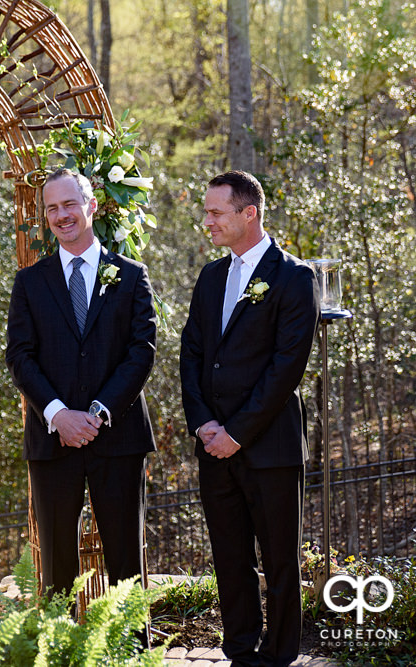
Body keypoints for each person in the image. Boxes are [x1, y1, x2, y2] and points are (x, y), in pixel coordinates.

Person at [180, 170, 319, 667]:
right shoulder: (211, 276)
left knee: (280, 561)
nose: (207, 222)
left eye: (215, 212)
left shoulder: (294, 277)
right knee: (230, 559)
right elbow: (192, 351)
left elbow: (287, 367)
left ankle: (278, 656)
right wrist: (204, 425)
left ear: (249, 213)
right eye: (207, 212)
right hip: (213, 444)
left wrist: (237, 432)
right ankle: (239, 650)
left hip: (270, 447)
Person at [5, 168, 157, 602]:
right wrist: (57, 414)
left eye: (69, 204)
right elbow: (19, 355)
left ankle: (131, 652)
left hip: (118, 436)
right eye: (51, 208)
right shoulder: (30, 283)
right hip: (52, 441)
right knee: (55, 567)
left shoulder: (130, 276)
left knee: (126, 560)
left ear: (91, 205)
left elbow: (141, 350)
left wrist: (96, 413)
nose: (61, 215)